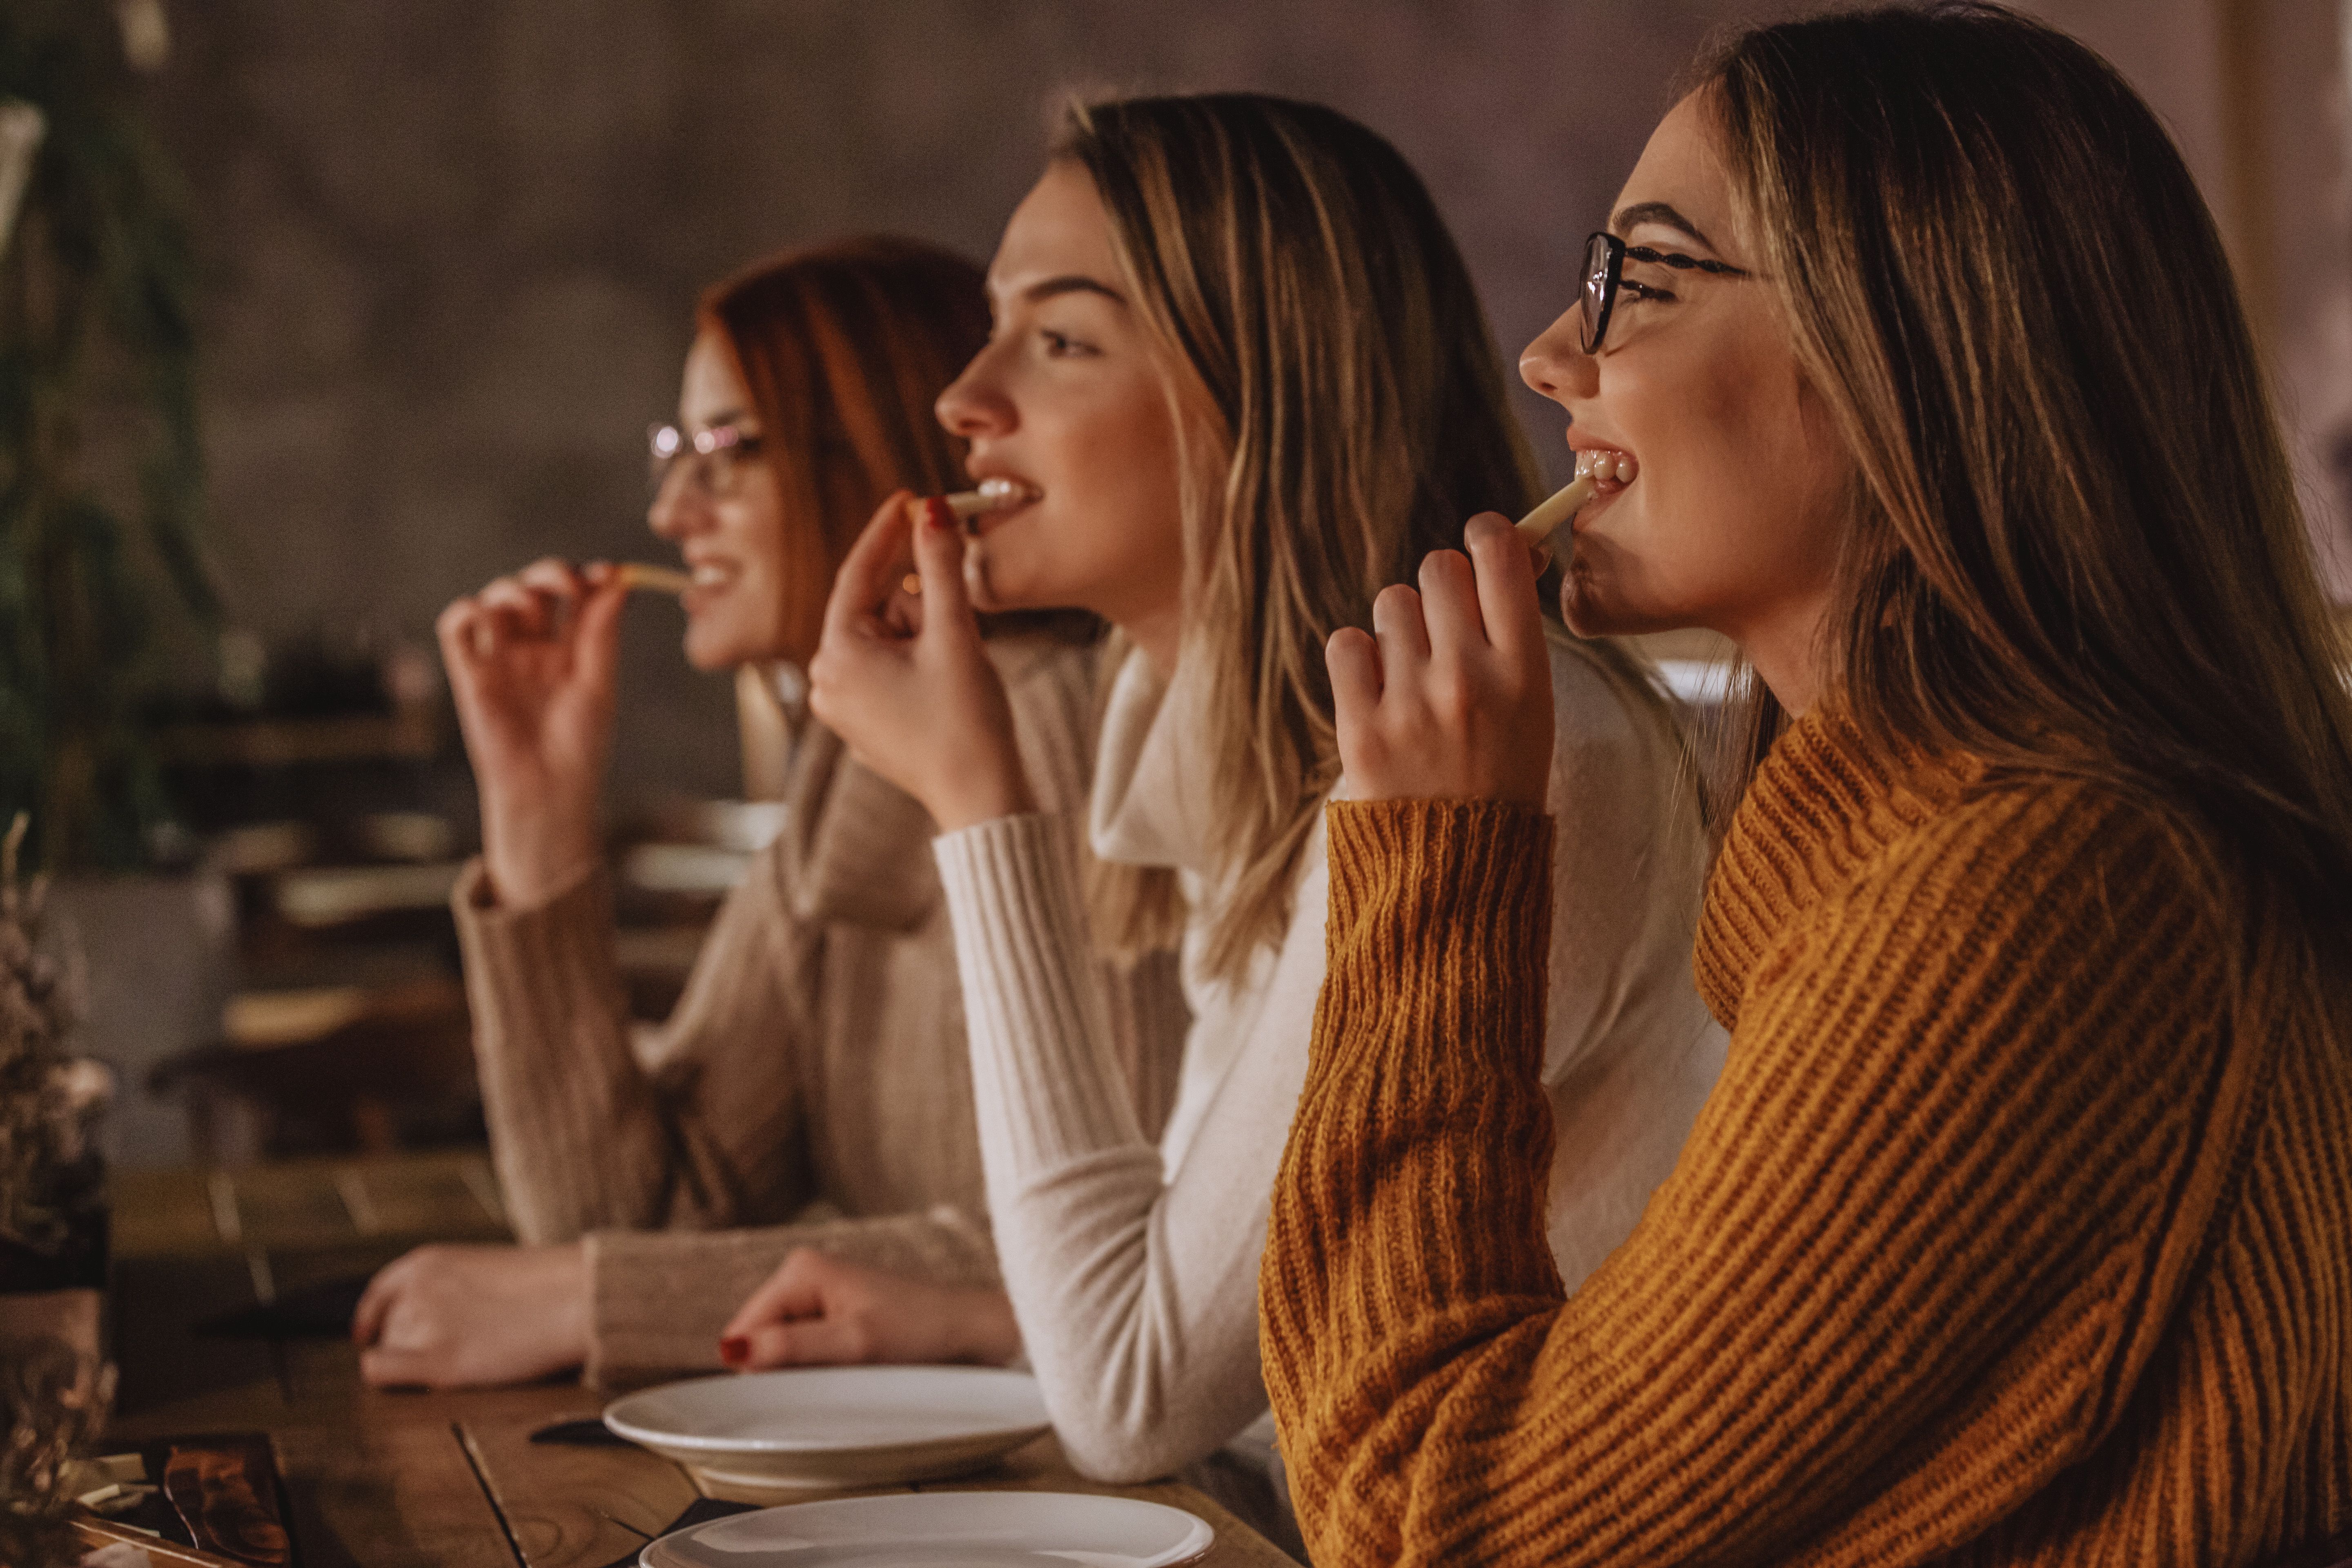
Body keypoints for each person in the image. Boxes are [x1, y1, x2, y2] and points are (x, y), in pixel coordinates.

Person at [1254, 6, 2352, 1564]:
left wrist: (1436, 861)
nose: (1553, 353)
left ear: (1896, 352)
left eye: (1639, 278)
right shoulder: (1978, 858)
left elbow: (1439, 1524)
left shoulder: (2040, 892)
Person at [746, 92, 1725, 1507]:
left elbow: (1129, 1404)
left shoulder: (1508, 752)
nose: (964, 399)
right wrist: (994, 1322)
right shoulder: (1258, 755)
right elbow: (1221, 1311)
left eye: (1062, 339)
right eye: (993, 324)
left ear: (1264, 404)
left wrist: (974, 801)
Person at [353, 237, 1183, 1390]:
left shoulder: (1043, 721)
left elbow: (1110, 1242)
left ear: (886, 454)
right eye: (674, 453)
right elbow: (644, 1207)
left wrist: (583, 1301)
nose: (670, 510)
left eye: (727, 452)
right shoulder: (847, 772)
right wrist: (538, 824)